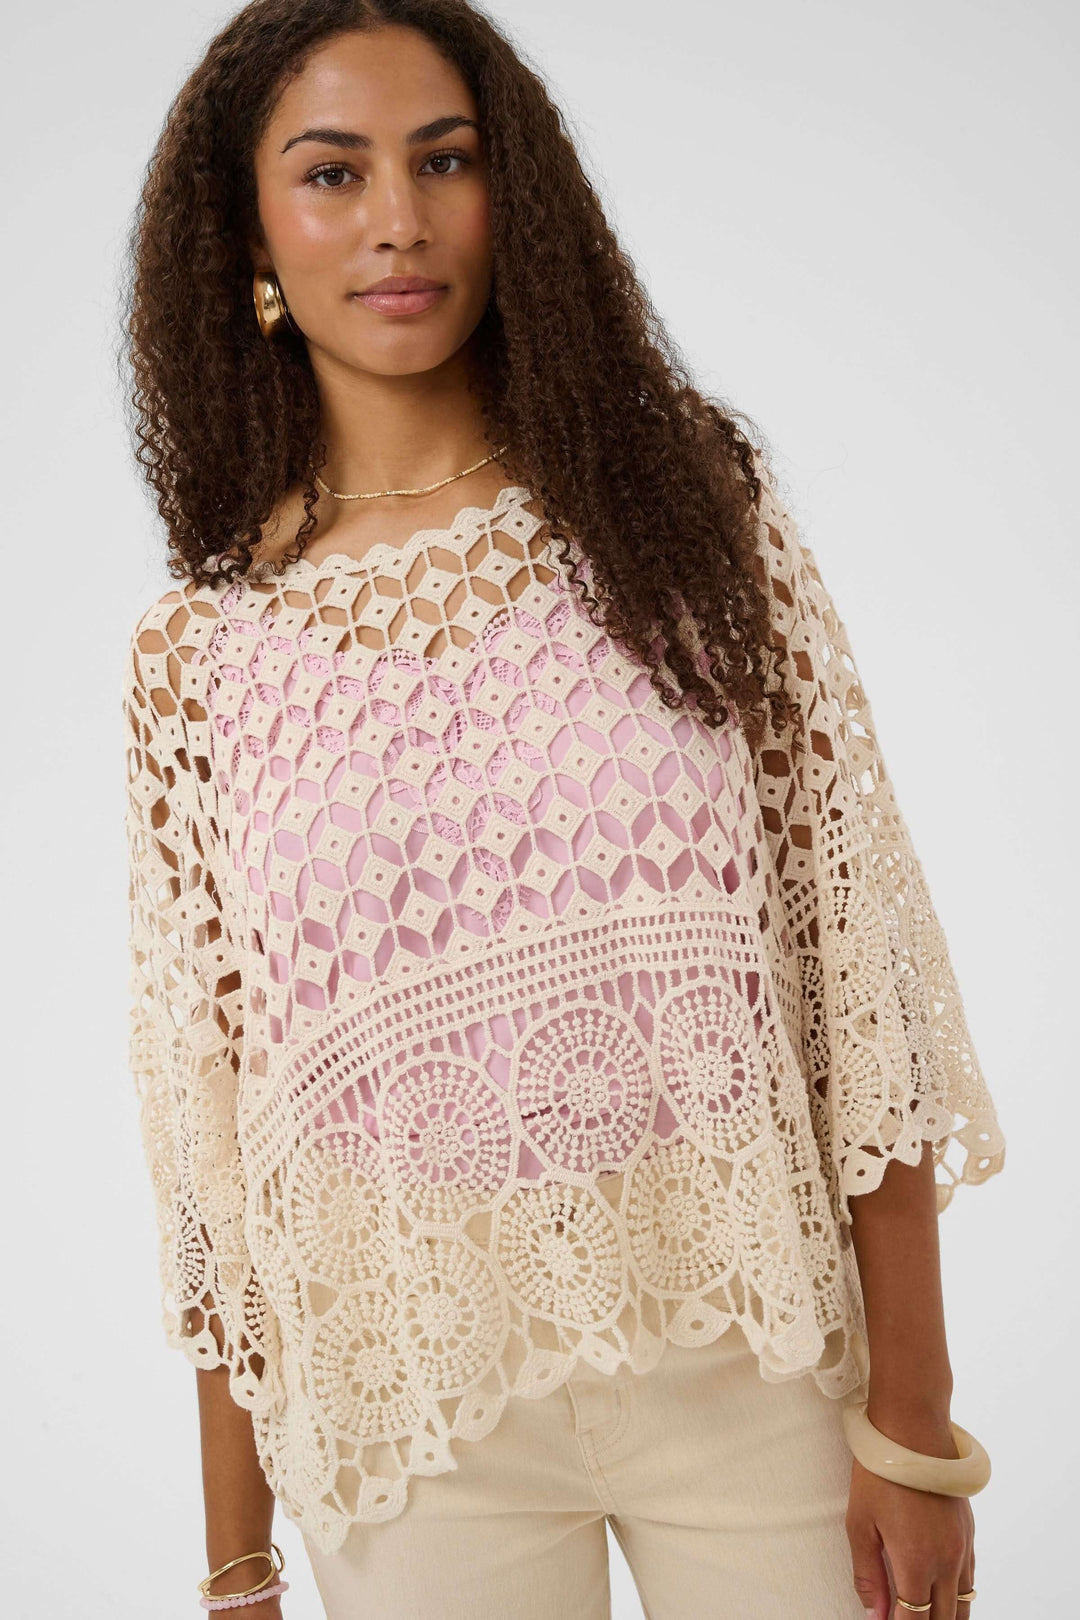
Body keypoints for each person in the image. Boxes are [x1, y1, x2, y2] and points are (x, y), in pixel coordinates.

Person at [118, 3, 1006, 1617]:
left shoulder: (685, 513)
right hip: (411, 1415)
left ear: (510, 194)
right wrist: (235, 1565)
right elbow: (216, 1147)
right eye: (332, 174)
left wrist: (917, 1421)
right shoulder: (203, 657)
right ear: (248, 238)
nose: (398, 220)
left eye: (445, 161)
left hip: (750, 1348)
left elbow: (855, 973)